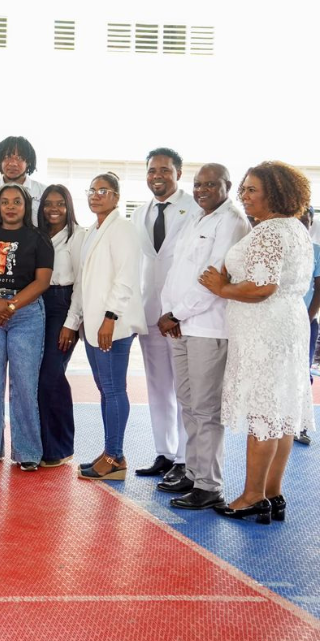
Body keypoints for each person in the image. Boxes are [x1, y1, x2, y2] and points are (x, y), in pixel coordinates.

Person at [199, 162, 314, 523]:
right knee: (280, 413)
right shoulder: (296, 228)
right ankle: (272, 493)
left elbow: (262, 287)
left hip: (265, 329)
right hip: (289, 324)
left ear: (275, 194)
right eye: (244, 189)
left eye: (252, 190)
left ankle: (251, 496)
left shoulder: (269, 232)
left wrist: (222, 288)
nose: (244, 196)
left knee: (263, 413)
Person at [153, 163, 250, 509]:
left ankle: (210, 486)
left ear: (227, 186)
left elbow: (214, 278)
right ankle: (193, 473)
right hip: (180, 325)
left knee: (206, 409)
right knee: (188, 403)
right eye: (197, 184)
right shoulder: (196, 218)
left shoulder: (232, 221)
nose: (201, 190)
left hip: (208, 328)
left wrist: (176, 314)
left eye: (210, 184)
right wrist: (169, 312)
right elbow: (176, 271)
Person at [0, 184, 53, 471]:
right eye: (5, 202)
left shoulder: (39, 238)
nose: (11, 206)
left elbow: (42, 281)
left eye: (17, 201)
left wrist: (11, 307)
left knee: (24, 384)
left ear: (26, 206)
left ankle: (27, 451)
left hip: (26, 314)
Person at [66, 173, 146, 480]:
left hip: (113, 325)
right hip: (93, 325)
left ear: (116, 197)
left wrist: (110, 318)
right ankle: (111, 451)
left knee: (113, 390)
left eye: (103, 190)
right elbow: (83, 282)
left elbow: (126, 277)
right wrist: (74, 320)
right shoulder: (92, 231)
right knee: (105, 389)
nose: (95, 195)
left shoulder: (123, 228)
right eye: (92, 190)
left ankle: (115, 457)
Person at [133, 147, 197, 483]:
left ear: (178, 173)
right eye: (151, 170)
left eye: (164, 170)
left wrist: (180, 310)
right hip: (149, 313)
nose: (157, 176)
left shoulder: (195, 209)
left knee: (185, 389)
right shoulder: (139, 213)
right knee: (157, 386)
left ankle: (185, 459)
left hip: (183, 315)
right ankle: (165, 453)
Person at [36, 184, 83, 468]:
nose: (54, 209)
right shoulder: (36, 235)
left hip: (63, 304)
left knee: (50, 375)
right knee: (35, 377)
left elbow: (82, 283)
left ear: (68, 206)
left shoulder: (78, 236)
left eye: (60, 204)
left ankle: (60, 447)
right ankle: (39, 445)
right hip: (35, 303)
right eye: (48, 204)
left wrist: (71, 323)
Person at [0, 136, 47, 225]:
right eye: (7, 157)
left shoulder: (43, 192)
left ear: (28, 162)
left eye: (19, 158)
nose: (13, 163)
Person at [297, 206, 319, 446]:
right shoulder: (280, 248)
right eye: (298, 220)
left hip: (307, 323)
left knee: (303, 372)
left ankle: (301, 424)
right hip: (280, 323)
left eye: (307, 221)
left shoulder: (316, 252)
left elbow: (319, 289)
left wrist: (308, 317)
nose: (303, 225)